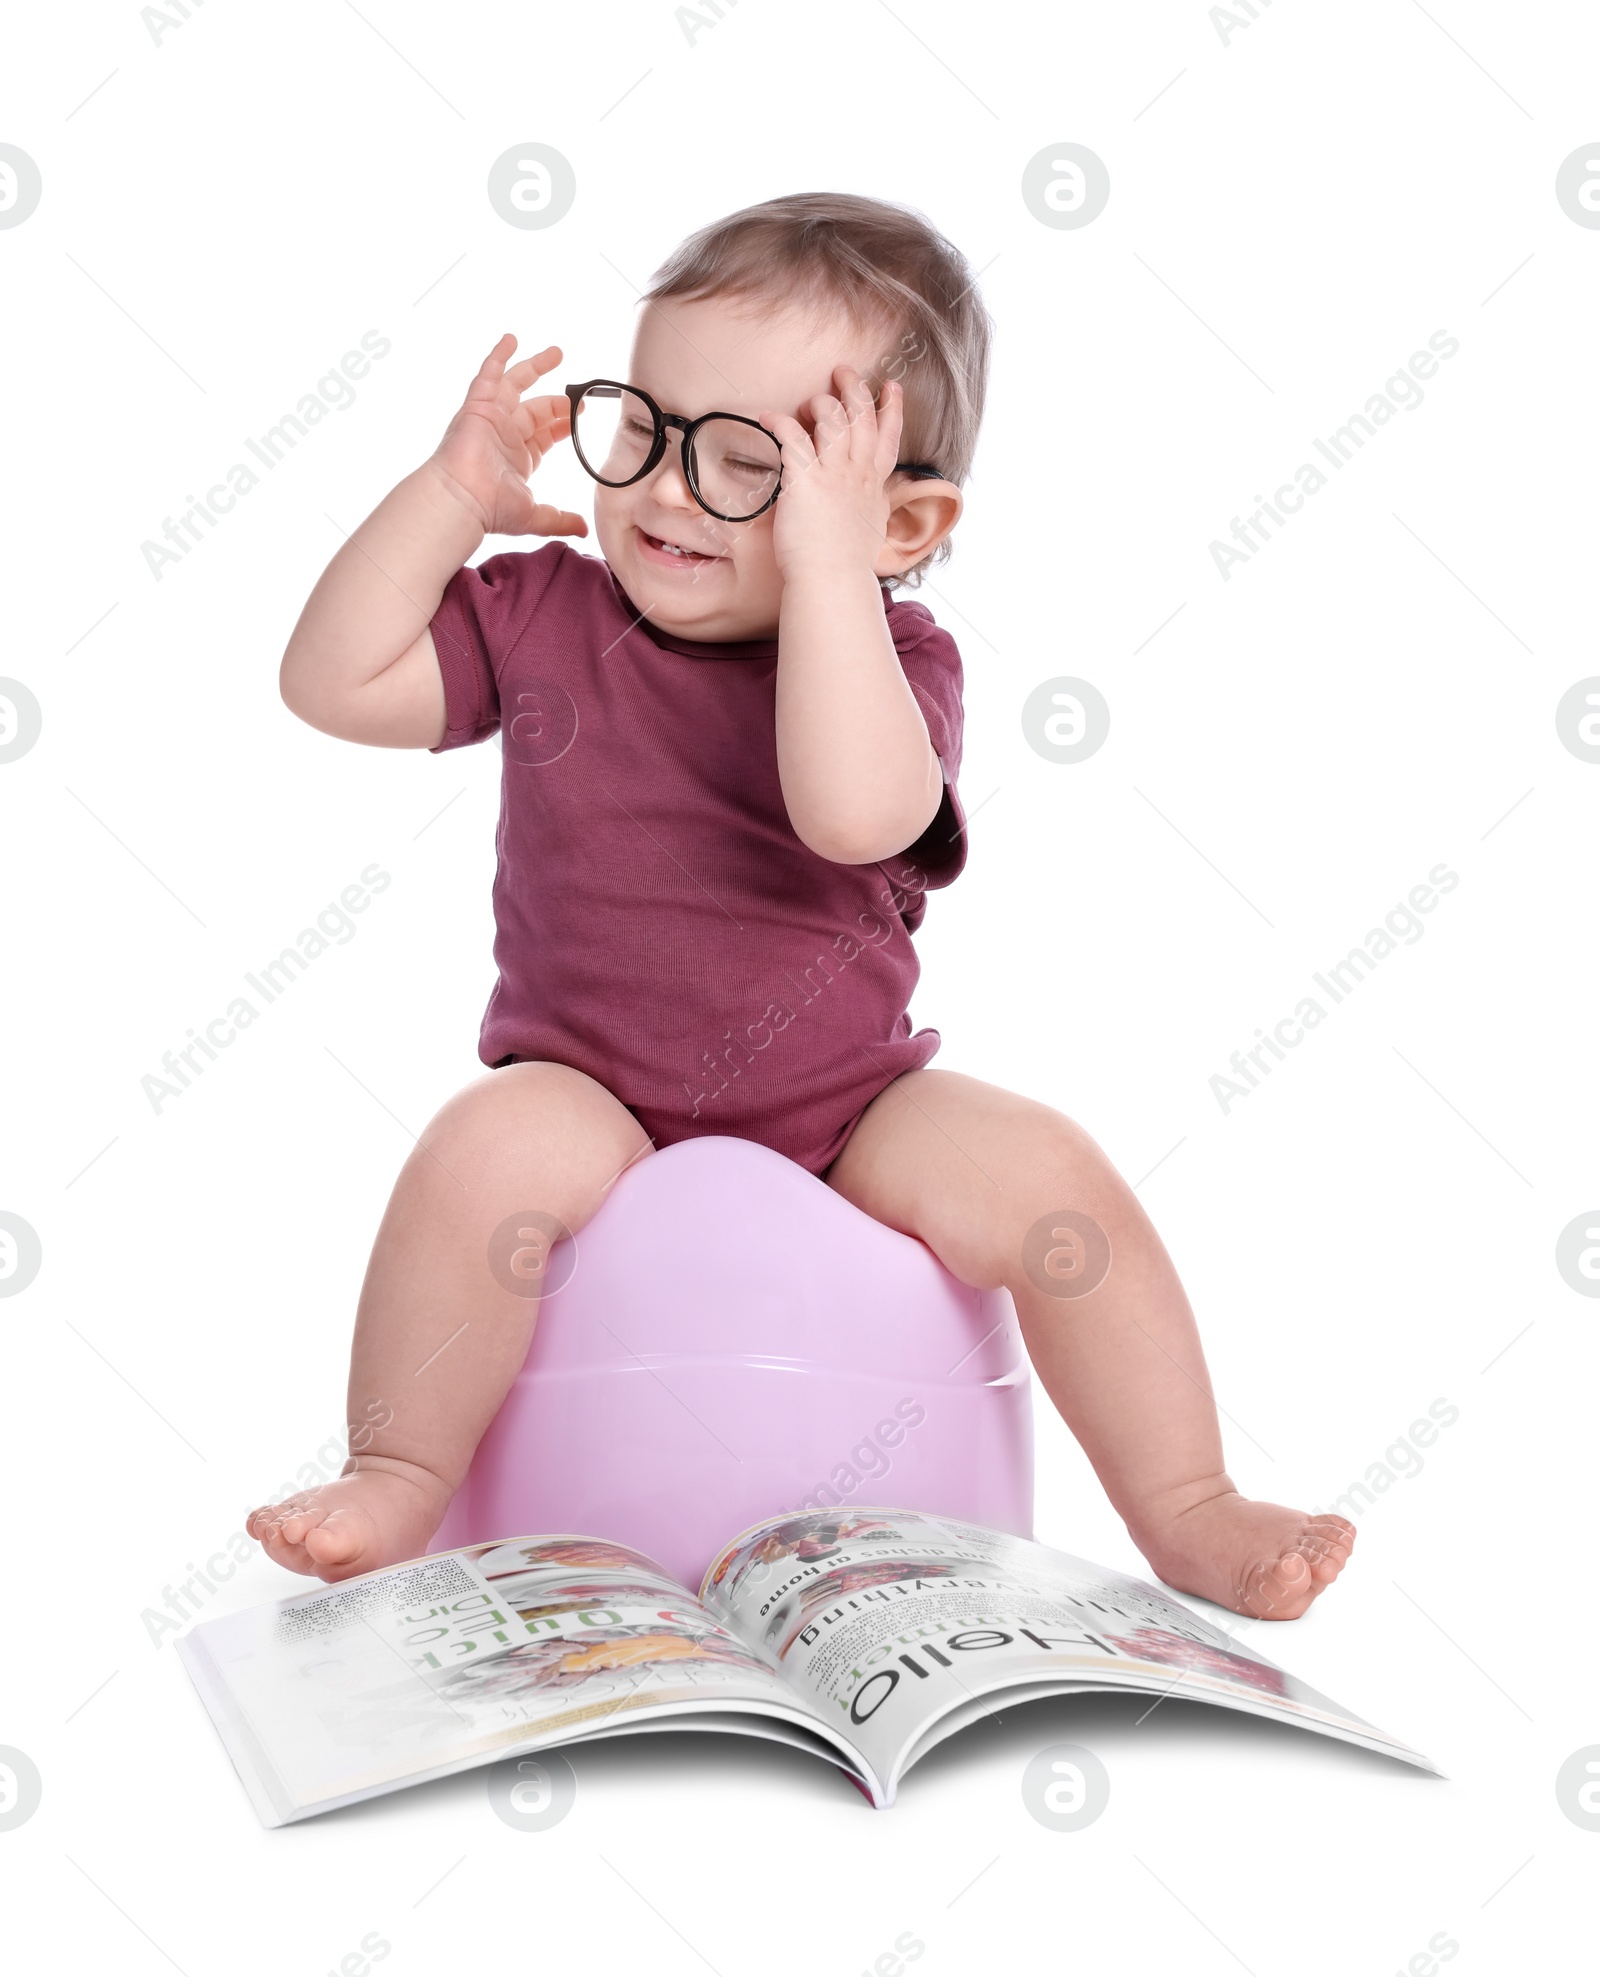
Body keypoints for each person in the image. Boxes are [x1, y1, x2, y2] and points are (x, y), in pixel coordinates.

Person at [248, 192, 1353, 1620]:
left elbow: (851, 812)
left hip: (849, 1110)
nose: (662, 490)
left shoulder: (901, 659)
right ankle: (399, 1468)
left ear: (902, 518)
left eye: (751, 464)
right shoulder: (544, 613)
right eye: (642, 428)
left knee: (1057, 1184)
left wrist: (833, 571)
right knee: (476, 1157)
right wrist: (448, 495)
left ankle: (1192, 1505)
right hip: (591, 1090)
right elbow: (328, 682)